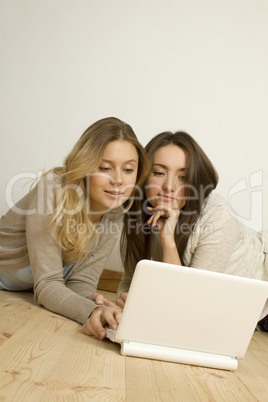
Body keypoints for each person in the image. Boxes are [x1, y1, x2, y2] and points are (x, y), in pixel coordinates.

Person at [0, 117, 150, 339]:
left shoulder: (115, 210)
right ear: (86, 165)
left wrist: (94, 302)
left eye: (128, 169)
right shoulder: (52, 189)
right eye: (105, 167)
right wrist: (91, 311)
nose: (118, 180)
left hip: (24, 287)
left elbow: (80, 282)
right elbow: (47, 285)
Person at [117, 131, 268, 331]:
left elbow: (190, 304)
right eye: (159, 173)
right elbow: (130, 280)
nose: (169, 187)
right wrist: (125, 309)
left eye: (183, 177)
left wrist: (167, 240)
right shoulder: (138, 210)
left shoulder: (217, 215)